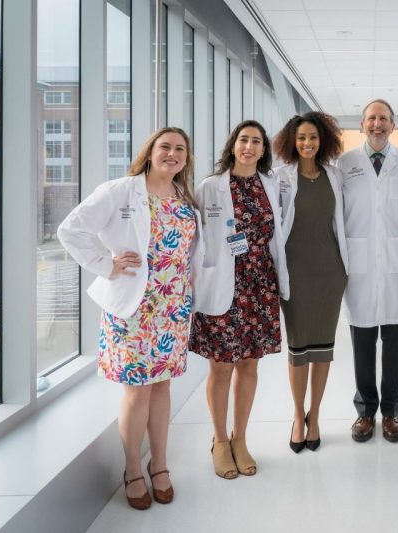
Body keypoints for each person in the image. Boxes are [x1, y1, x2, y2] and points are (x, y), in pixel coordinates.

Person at [58, 127, 202, 509]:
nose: (172, 154)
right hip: (134, 310)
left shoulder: (184, 197)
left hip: (171, 309)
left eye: (180, 149)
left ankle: (161, 465)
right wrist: (105, 265)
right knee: (137, 391)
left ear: (186, 158)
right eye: (165, 147)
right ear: (150, 152)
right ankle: (133, 469)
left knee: (162, 388)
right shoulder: (121, 191)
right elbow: (70, 230)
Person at [189, 120, 288, 479]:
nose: (249, 146)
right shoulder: (210, 187)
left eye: (256, 142)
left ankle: (240, 438)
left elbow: (279, 232)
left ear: (263, 151)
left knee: (249, 365)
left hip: (260, 286)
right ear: (233, 145)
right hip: (223, 287)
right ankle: (219, 440)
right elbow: (194, 239)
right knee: (221, 366)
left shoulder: (271, 185)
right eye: (244, 140)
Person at [337, 99, 398, 443]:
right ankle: (365, 411)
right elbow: (337, 215)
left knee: (397, 344)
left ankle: (393, 412)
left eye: (384, 118)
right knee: (363, 343)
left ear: (393, 124)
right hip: (361, 266)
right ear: (361, 124)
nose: (377, 124)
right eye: (371, 118)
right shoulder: (345, 164)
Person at [272, 112, 348, 453]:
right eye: (301, 137)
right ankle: (295, 414)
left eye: (313, 137)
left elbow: (341, 222)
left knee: (323, 351)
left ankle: (314, 416)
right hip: (295, 272)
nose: (307, 143)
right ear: (292, 141)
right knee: (298, 350)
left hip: (330, 272)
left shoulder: (334, 176)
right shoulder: (280, 178)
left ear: (323, 140)